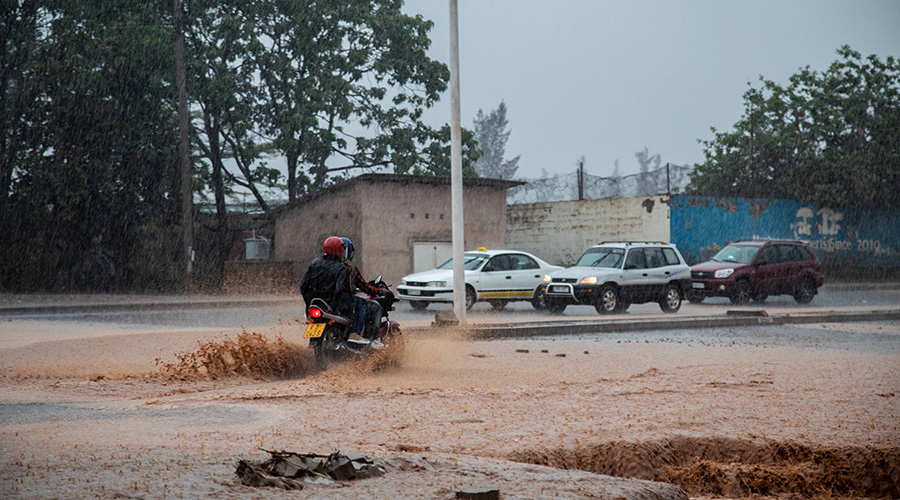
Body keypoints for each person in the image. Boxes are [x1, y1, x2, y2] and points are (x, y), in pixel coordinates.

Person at [339, 237, 393, 344]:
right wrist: (379, 291)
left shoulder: (321, 264)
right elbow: (364, 286)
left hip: (328, 303)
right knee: (373, 307)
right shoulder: (348, 267)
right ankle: (368, 337)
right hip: (344, 301)